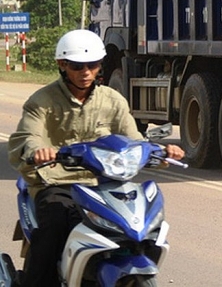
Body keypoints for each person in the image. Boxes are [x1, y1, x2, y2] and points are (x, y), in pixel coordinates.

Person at [7, 29, 184, 287]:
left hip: (103, 183)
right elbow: (28, 135)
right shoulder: (42, 101)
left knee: (141, 225)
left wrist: (159, 151)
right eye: (78, 66)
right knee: (54, 224)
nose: (86, 72)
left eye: (92, 65)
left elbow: (132, 139)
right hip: (56, 182)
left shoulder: (112, 100)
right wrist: (37, 150)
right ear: (62, 65)